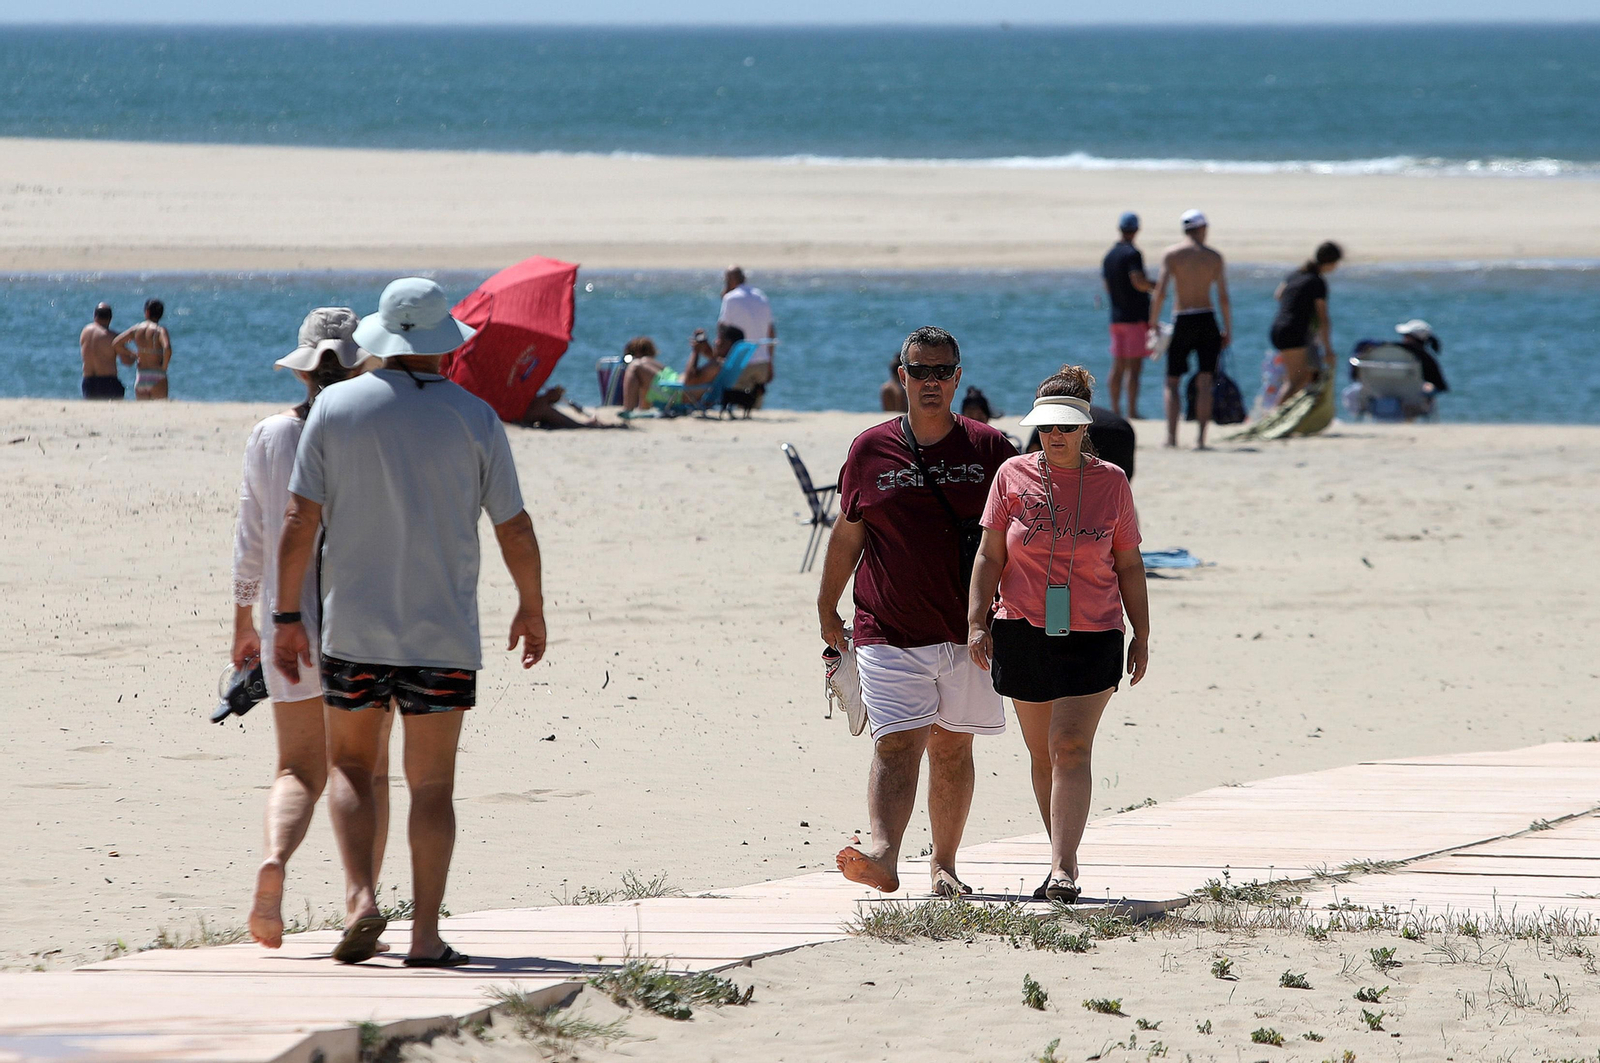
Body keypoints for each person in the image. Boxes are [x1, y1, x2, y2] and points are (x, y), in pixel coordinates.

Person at [273, 277, 547, 968]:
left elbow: (299, 520)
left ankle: (361, 895)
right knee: (432, 786)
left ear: (382, 339)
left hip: (354, 627)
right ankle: (425, 935)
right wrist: (531, 604)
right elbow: (513, 526)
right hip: (443, 633)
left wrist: (283, 615)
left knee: (353, 766)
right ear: (441, 348)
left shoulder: (333, 406)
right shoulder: (475, 417)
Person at [818, 326, 1018, 897]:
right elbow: (848, 531)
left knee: (953, 746)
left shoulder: (990, 450)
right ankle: (883, 852)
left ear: (957, 378)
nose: (930, 382)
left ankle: (945, 865)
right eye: (919, 371)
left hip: (969, 630)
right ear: (900, 376)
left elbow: (1019, 538)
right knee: (897, 741)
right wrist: (826, 603)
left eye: (941, 372)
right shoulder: (869, 448)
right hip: (886, 625)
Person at [232, 307, 393, 950]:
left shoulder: (269, 435)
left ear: (301, 368)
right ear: (358, 365)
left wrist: (243, 619)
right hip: (361, 620)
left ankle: (275, 860)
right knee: (368, 770)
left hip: (285, 619)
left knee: (297, 768)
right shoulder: (372, 431)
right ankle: (362, 902)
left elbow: (250, 538)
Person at [967, 365, 1150, 902]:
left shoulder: (1111, 482)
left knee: (1070, 746)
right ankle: (1058, 857)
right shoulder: (1012, 477)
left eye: (1066, 428)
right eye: (1047, 427)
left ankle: (1064, 869)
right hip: (1021, 627)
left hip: (1094, 632)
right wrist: (977, 621)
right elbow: (989, 554)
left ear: (1084, 427)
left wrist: (1142, 632)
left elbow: (1130, 564)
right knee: (1042, 754)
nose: (1055, 437)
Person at [1149, 210, 1231, 449]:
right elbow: (1223, 297)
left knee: (1172, 381)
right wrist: (1228, 328)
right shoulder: (1214, 257)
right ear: (1202, 228)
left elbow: (1161, 292)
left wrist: (1153, 322)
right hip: (1208, 318)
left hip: (1182, 318)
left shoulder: (1172, 255)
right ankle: (1201, 440)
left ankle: (1172, 438)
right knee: (1204, 382)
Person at [1270, 242, 1343, 405]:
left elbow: (1279, 295)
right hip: (1293, 331)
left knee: (1302, 376)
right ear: (1331, 263)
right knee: (1297, 380)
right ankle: (1274, 417)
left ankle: (1290, 414)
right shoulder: (1317, 282)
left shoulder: (1296, 274)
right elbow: (1323, 318)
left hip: (1278, 327)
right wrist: (1329, 350)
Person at [1102, 212, 1155, 420]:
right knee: (1134, 368)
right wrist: (1156, 286)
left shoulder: (1109, 256)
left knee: (1118, 365)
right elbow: (1138, 281)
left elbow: (1107, 286)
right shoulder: (1133, 254)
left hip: (1116, 316)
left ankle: (1115, 409)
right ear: (1136, 230)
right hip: (1135, 317)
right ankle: (1132, 411)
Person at [717, 266, 776, 397]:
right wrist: (770, 362)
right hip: (763, 361)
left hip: (741, 362)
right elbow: (771, 332)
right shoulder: (761, 296)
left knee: (737, 401)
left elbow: (722, 331)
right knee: (754, 406)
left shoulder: (730, 298)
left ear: (729, 280)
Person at [114, 299, 173, 401]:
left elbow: (116, 343)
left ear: (147, 312)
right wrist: (164, 366)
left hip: (141, 376)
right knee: (160, 411)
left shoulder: (136, 329)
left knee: (143, 412)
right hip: (157, 374)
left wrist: (134, 354)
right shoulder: (160, 330)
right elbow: (167, 348)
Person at [79, 302, 127, 400]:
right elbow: (127, 361)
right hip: (107, 381)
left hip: (88, 381)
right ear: (110, 318)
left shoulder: (85, 331)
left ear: (95, 316)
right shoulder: (113, 337)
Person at [620, 336, 665, 412]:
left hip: (668, 391)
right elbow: (645, 393)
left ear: (636, 352)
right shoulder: (656, 365)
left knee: (634, 367)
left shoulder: (641, 363)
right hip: (674, 390)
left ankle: (627, 409)